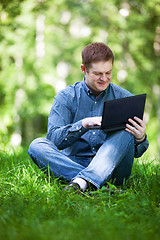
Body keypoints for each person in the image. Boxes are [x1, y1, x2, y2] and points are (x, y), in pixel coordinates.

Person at [28, 42, 149, 192]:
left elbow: (137, 152)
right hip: (72, 162)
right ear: (83, 70)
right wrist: (84, 124)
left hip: (113, 169)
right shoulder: (66, 97)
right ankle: (97, 186)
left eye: (108, 72)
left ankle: (81, 181)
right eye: (98, 74)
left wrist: (140, 138)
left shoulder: (124, 97)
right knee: (36, 145)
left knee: (126, 130)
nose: (104, 78)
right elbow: (53, 140)